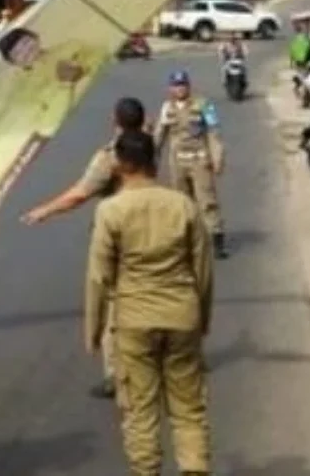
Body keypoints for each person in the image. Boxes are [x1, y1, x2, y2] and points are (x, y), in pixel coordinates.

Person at [86, 130, 214, 476]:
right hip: (181, 315)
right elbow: (202, 267)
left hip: (134, 320)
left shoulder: (111, 211)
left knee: (140, 412)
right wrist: (202, 317)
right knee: (188, 410)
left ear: (120, 165)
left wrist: (94, 329)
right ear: (154, 161)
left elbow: (99, 276)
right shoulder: (183, 205)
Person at [21, 96, 147, 399]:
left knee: (113, 304)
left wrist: (44, 210)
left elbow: (79, 194)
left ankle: (115, 374)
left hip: (118, 239)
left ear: (115, 121)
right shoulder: (149, 145)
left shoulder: (110, 157)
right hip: (151, 231)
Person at [154, 70, 228, 260]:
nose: (180, 89)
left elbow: (213, 132)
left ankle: (217, 239)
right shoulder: (166, 108)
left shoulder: (203, 105)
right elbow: (159, 135)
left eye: (183, 85)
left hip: (199, 159)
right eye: (176, 85)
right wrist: (152, 157)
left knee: (207, 201)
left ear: (188, 86)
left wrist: (217, 157)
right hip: (178, 161)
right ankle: (185, 242)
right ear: (170, 88)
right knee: (181, 202)